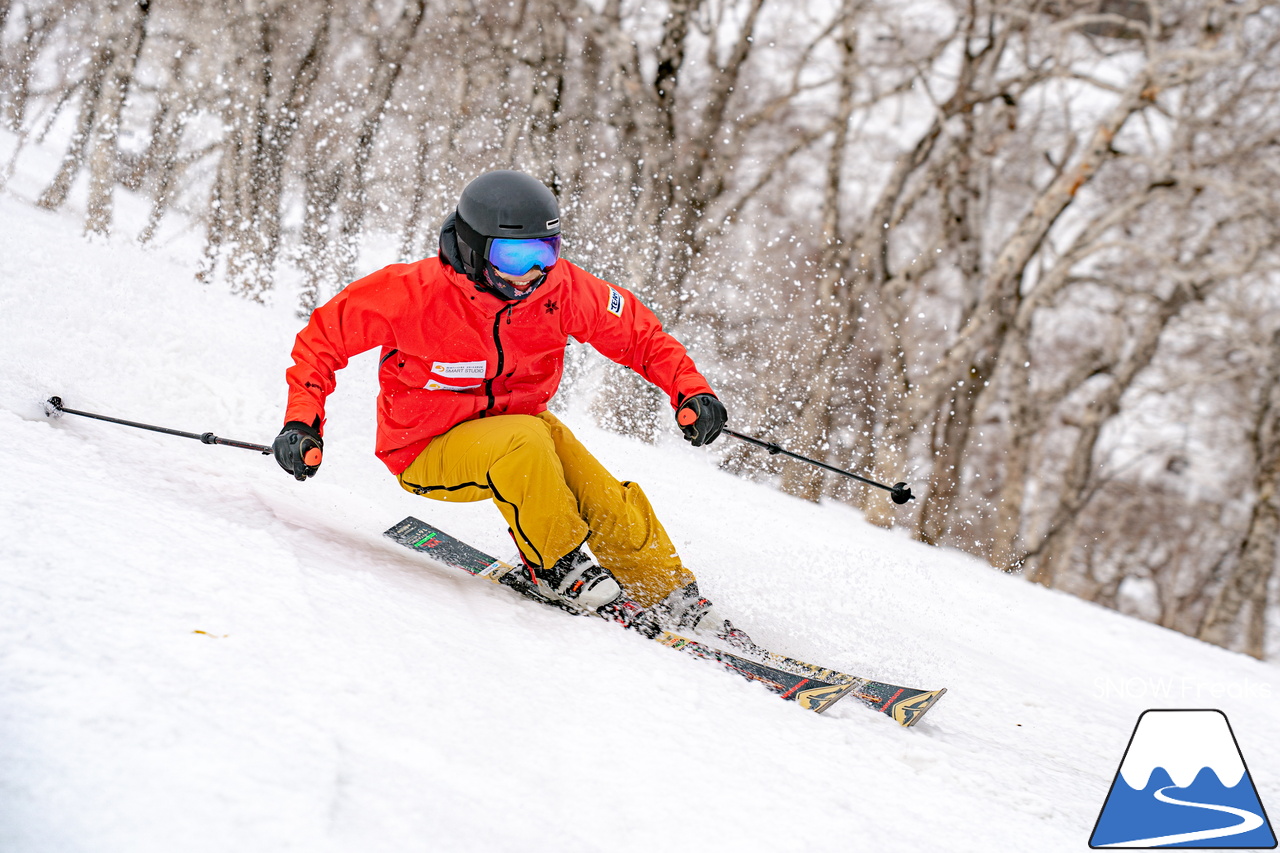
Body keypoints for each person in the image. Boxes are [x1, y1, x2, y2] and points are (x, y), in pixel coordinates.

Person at [273, 169, 749, 645]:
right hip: (425, 446)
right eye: (513, 256)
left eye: (544, 255)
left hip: (523, 430)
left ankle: (663, 590)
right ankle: (553, 564)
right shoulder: (410, 293)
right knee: (524, 443)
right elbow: (320, 342)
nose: (529, 275)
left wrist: (690, 390)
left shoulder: (556, 290)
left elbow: (639, 336)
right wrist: (302, 421)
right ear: (475, 248)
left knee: (595, 488)